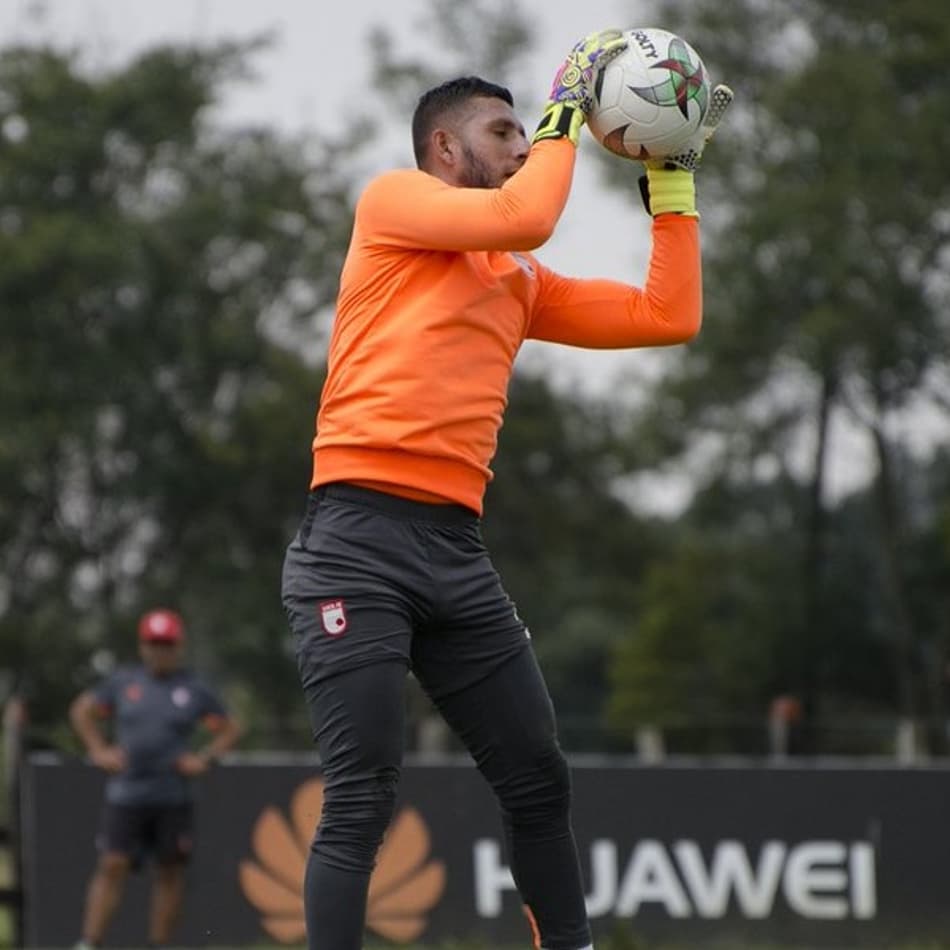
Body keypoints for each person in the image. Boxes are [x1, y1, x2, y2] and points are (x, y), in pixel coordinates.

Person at [281, 29, 733, 950]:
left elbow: (668, 315)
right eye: (505, 130)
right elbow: (526, 215)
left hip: (454, 551)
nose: (528, 145)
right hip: (355, 541)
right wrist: (571, 101)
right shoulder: (393, 202)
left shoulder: (517, 279)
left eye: (532, 130)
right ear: (445, 149)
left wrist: (675, 186)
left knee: (539, 777)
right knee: (363, 791)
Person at [70, 608, 241, 950]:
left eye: (166, 644)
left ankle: (159, 945)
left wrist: (204, 758)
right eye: (153, 644)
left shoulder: (193, 690)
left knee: (169, 871)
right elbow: (82, 710)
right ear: (142, 646)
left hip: (172, 796)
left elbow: (230, 726)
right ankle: (90, 942)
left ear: (179, 646)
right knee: (113, 863)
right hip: (126, 794)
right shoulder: (124, 683)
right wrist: (98, 749)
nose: (159, 651)